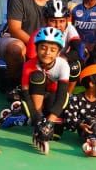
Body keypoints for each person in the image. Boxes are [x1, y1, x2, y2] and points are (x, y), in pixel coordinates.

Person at [24, 26, 72, 154]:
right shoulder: (29, 65)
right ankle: (37, 115)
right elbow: (25, 93)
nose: (47, 53)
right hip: (35, 96)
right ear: (37, 48)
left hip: (52, 95)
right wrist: (38, 119)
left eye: (52, 50)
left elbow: (62, 96)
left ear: (58, 52)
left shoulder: (63, 66)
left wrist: (50, 122)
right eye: (43, 48)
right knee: (37, 76)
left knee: (55, 135)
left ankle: (44, 117)